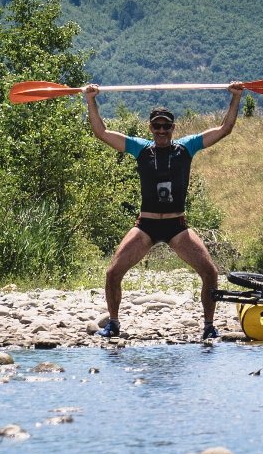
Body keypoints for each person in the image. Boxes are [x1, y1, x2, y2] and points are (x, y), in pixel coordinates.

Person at [84, 81, 244, 340]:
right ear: (150, 128)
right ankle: (113, 324)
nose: (161, 130)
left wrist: (235, 97)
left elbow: (225, 129)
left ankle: (208, 326)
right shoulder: (140, 148)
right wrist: (91, 100)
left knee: (210, 273)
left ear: (172, 128)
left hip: (176, 226)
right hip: (146, 225)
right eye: (157, 126)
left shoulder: (186, 147)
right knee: (113, 273)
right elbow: (101, 132)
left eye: (166, 126)